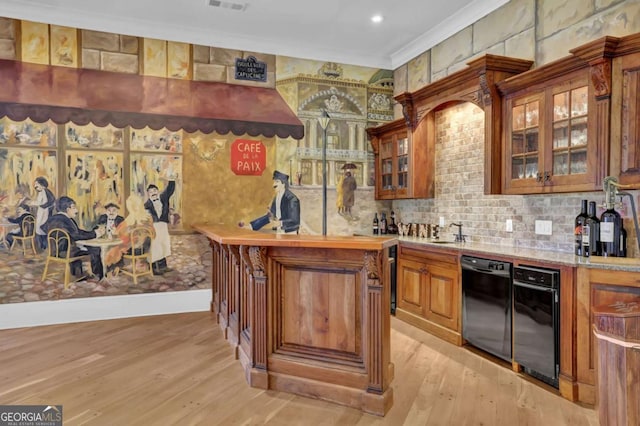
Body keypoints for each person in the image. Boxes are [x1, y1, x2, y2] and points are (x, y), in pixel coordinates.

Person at [43, 196, 105, 279]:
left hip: (55, 251)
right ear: (68, 209)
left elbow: (77, 232)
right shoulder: (65, 220)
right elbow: (76, 235)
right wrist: (95, 234)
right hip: (65, 252)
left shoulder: (52, 219)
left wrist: (93, 232)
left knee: (78, 247)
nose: (77, 210)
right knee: (96, 249)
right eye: (74, 208)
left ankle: (77, 273)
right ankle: (97, 275)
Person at [105, 194, 156, 277]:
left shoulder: (131, 220)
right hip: (146, 248)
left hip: (134, 249)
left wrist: (117, 233)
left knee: (114, 248)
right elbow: (153, 234)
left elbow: (123, 236)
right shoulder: (147, 217)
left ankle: (111, 267)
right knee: (118, 247)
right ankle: (117, 266)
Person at [144, 179, 175, 275]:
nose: (153, 193)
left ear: (158, 191)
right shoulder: (146, 205)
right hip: (153, 227)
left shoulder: (163, 197)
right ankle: (153, 268)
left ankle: (163, 266)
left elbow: (170, 188)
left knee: (164, 245)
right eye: (150, 192)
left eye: (154, 191)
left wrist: (171, 178)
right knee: (155, 247)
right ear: (148, 194)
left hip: (163, 225)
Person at [30, 176, 55, 251]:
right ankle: (42, 247)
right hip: (42, 213)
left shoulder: (45, 192)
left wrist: (34, 203)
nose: (35, 186)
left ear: (42, 184)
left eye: (37, 184)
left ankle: (44, 247)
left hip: (45, 214)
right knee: (40, 229)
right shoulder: (42, 192)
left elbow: (45, 203)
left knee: (42, 229)